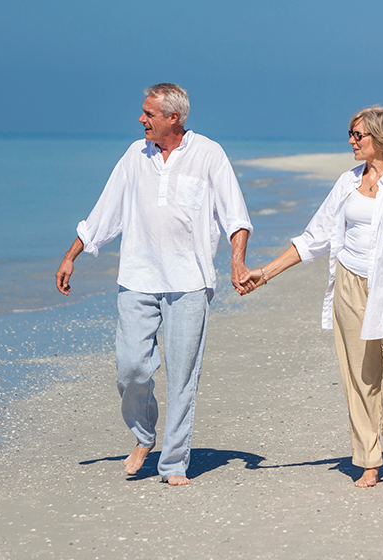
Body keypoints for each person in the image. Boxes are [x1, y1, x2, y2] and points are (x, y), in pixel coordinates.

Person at [240, 105, 383, 487]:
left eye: (357, 135)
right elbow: (313, 237)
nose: (350, 141)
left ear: (381, 138)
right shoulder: (347, 183)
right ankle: (369, 459)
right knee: (361, 380)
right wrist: (263, 274)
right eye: (350, 134)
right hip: (351, 287)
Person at [55, 83, 255, 486]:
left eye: (149, 114)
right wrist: (71, 254)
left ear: (173, 118)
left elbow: (236, 216)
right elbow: (105, 211)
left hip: (190, 282)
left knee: (183, 375)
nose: (141, 119)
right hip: (138, 278)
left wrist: (237, 263)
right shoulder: (135, 156)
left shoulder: (209, 154)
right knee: (130, 368)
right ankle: (145, 435)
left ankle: (174, 463)